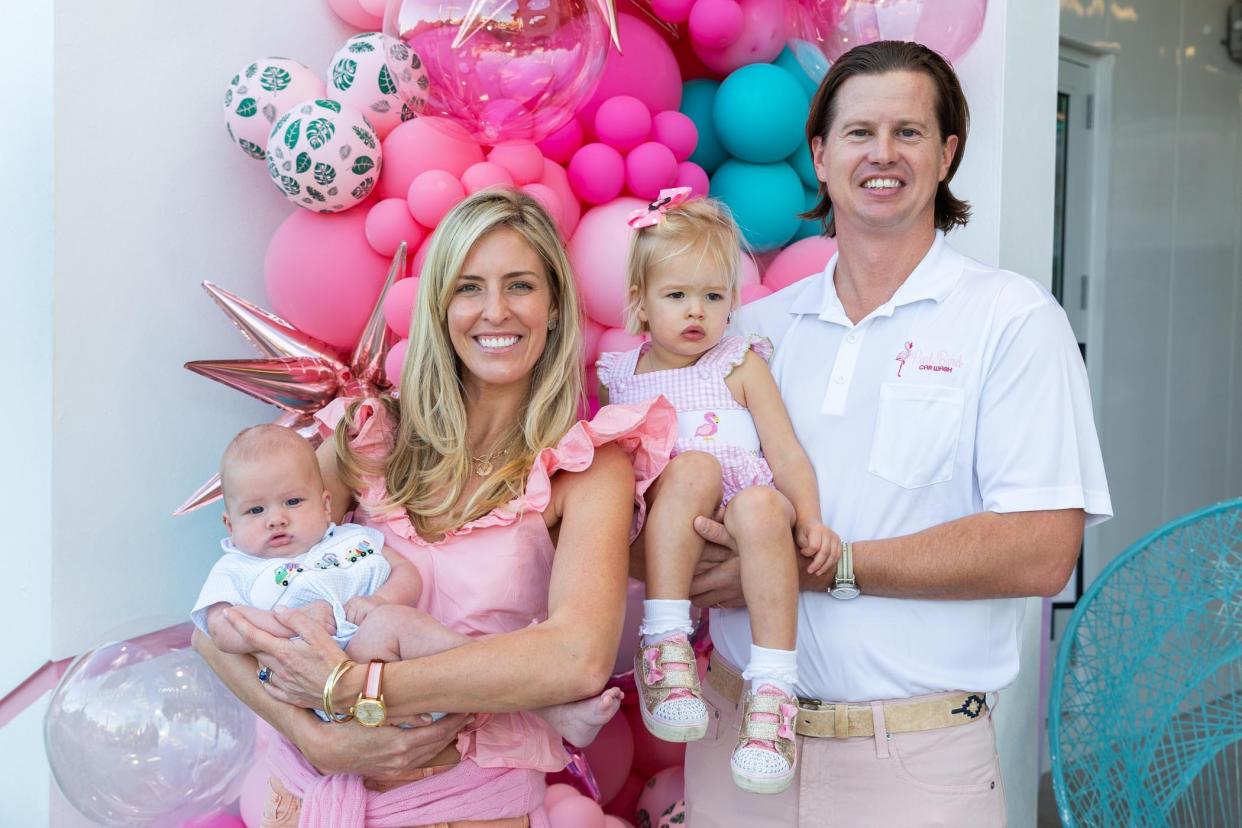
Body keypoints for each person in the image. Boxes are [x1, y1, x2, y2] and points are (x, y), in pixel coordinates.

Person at [676, 41, 1112, 825]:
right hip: (733, 742)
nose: (883, 154)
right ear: (819, 153)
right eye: (858, 132)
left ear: (946, 155)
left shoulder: (1010, 321)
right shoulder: (754, 331)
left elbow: (1043, 547)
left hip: (911, 763)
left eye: (909, 133)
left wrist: (810, 567)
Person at [192, 189, 678, 827]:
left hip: (466, 808)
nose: (495, 311)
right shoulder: (371, 434)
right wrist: (315, 733)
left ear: (556, 307)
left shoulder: (590, 466)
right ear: (441, 304)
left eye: (521, 285)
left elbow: (576, 656)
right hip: (303, 794)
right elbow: (215, 624)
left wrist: (359, 690)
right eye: (469, 287)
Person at [596, 190, 840, 795]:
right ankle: (666, 644)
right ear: (640, 304)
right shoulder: (620, 377)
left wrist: (809, 517)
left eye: (713, 295)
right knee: (693, 468)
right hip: (669, 519)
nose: (696, 311)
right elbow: (611, 477)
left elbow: (784, 452)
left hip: (745, 505)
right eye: (676, 296)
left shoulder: (739, 361)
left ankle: (773, 690)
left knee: (756, 502)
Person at [192, 423, 621, 746]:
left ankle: (542, 704)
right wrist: (286, 625)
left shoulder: (349, 540)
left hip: (379, 665)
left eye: (292, 502)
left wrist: (380, 601)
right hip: (312, 687)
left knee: (401, 623)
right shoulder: (238, 568)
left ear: (325, 506)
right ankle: (541, 705)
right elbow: (221, 630)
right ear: (229, 524)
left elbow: (406, 574)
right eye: (255, 511)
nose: (276, 518)